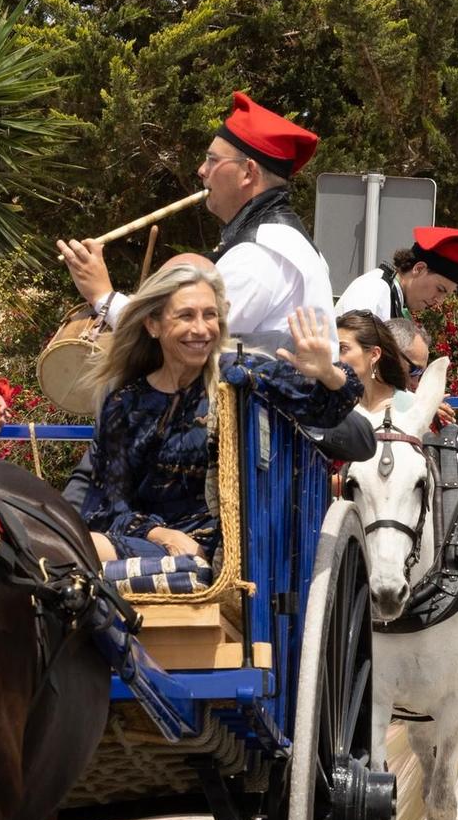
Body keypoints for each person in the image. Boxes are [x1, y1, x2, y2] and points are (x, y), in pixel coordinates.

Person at [81, 264, 360, 565]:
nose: (201, 329)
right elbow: (109, 507)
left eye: (209, 315)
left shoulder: (240, 375)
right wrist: (161, 535)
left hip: (226, 551)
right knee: (68, 544)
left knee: (79, 549)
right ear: (153, 324)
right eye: (186, 315)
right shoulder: (125, 402)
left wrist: (329, 373)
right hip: (151, 542)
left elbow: (326, 409)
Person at [57, 92, 336, 354]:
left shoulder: (261, 255)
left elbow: (181, 342)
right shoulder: (279, 243)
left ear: (248, 172)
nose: (202, 170)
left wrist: (104, 296)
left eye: (213, 160)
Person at [382, 314, 458, 480]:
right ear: (392, 355)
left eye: (421, 373)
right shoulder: (370, 371)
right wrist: (422, 403)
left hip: (404, 434)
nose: (416, 382)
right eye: (414, 371)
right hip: (388, 440)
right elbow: (378, 396)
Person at [334, 225, 458, 320]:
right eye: (440, 289)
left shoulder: (392, 296)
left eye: (446, 295)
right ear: (419, 269)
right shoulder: (374, 291)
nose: (439, 301)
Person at [336, 311, 410, 413]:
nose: (334, 358)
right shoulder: (336, 408)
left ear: (374, 354)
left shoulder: (411, 408)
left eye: (342, 348)